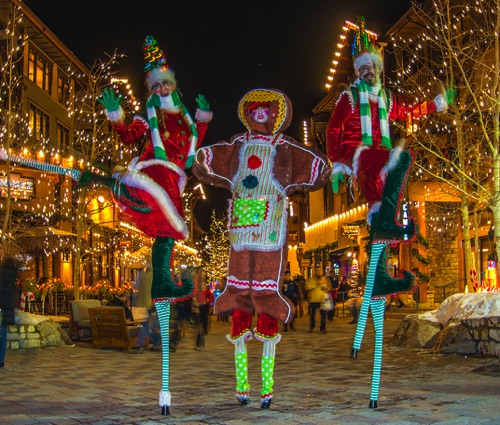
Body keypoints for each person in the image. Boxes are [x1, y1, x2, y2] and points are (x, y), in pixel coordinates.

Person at [79, 35, 213, 415]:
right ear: (151, 89)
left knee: (167, 232)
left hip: (174, 181)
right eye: (155, 85)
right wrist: (117, 116)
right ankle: (115, 185)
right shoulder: (147, 116)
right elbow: (129, 134)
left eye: (165, 83)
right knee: (160, 216)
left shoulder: (184, 119)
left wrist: (203, 121)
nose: (162, 88)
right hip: (154, 172)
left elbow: (194, 141)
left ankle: (164, 282)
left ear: (174, 84)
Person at [193, 88, 331, 409]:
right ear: (247, 114)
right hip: (242, 226)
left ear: (275, 116)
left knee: (267, 292)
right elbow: (215, 157)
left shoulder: (284, 147)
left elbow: (312, 166)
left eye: (264, 111)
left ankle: (266, 387)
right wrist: (199, 157)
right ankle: (242, 385)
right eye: (254, 110)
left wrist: (326, 170)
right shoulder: (239, 144)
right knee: (240, 290)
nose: (259, 116)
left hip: (271, 224)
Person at [0, 252, 20, 368]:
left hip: (3, 305)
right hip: (5, 305)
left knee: (2, 331)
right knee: (2, 331)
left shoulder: (6, 269)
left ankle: (1, 358)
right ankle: (1, 358)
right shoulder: (9, 269)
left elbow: (4, 290)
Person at [306, 269, 332, 334]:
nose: (318, 272)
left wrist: (325, 288)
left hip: (322, 299)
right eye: (317, 271)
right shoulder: (312, 279)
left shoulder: (325, 279)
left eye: (320, 271)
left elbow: (329, 287)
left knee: (323, 315)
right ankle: (312, 327)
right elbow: (308, 287)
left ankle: (323, 328)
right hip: (314, 300)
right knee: (312, 314)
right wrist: (316, 284)